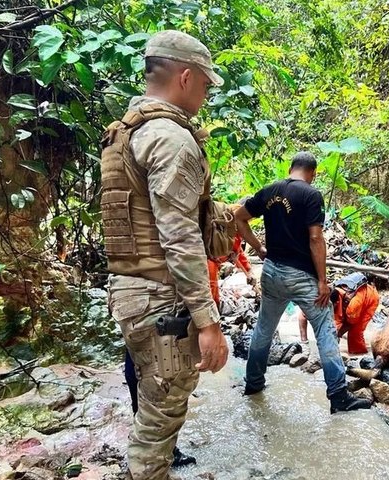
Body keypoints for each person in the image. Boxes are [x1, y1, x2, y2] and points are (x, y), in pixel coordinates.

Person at [100, 30, 230, 480]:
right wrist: (208, 322)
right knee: (158, 426)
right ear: (186, 77)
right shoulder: (170, 138)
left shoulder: (126, 131)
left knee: (152, 409)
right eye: (207, 84)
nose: (207, 93)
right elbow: (178, 237)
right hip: (159, 299)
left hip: (130, 291)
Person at [233, 152, 371, 413]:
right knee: (324, 328)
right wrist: (322, 281)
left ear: (290, 168)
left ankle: (253, 383)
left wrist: (258, 247)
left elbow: (239, 217)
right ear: (313, 173)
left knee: (264, 328)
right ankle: (339, 396)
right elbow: (316, 239)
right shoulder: (311, 195)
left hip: (272, 272)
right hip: (301, 275)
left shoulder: (270, 190)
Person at [331, 272, 380, 355]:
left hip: (370, 300)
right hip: (355, 302)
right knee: (336, 324)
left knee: (355, 331)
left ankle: (359, 353)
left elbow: (351, 323)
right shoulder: (333, 291)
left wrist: (339, 334)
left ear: (337, 301)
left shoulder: (353, 306)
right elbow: (337, 320)